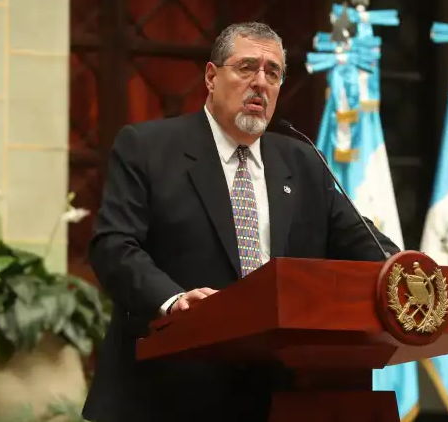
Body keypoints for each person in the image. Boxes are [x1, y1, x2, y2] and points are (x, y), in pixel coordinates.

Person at [82, 22, 399, 422]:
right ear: (211, 77)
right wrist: (173, 301)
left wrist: (407, 272)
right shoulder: (148, 148)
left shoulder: (303, 162)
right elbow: (113, 246)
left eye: (273, 73)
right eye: (247, 67)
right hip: (168, 391)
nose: (260, 83)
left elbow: (368, 246)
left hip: (281, 397)